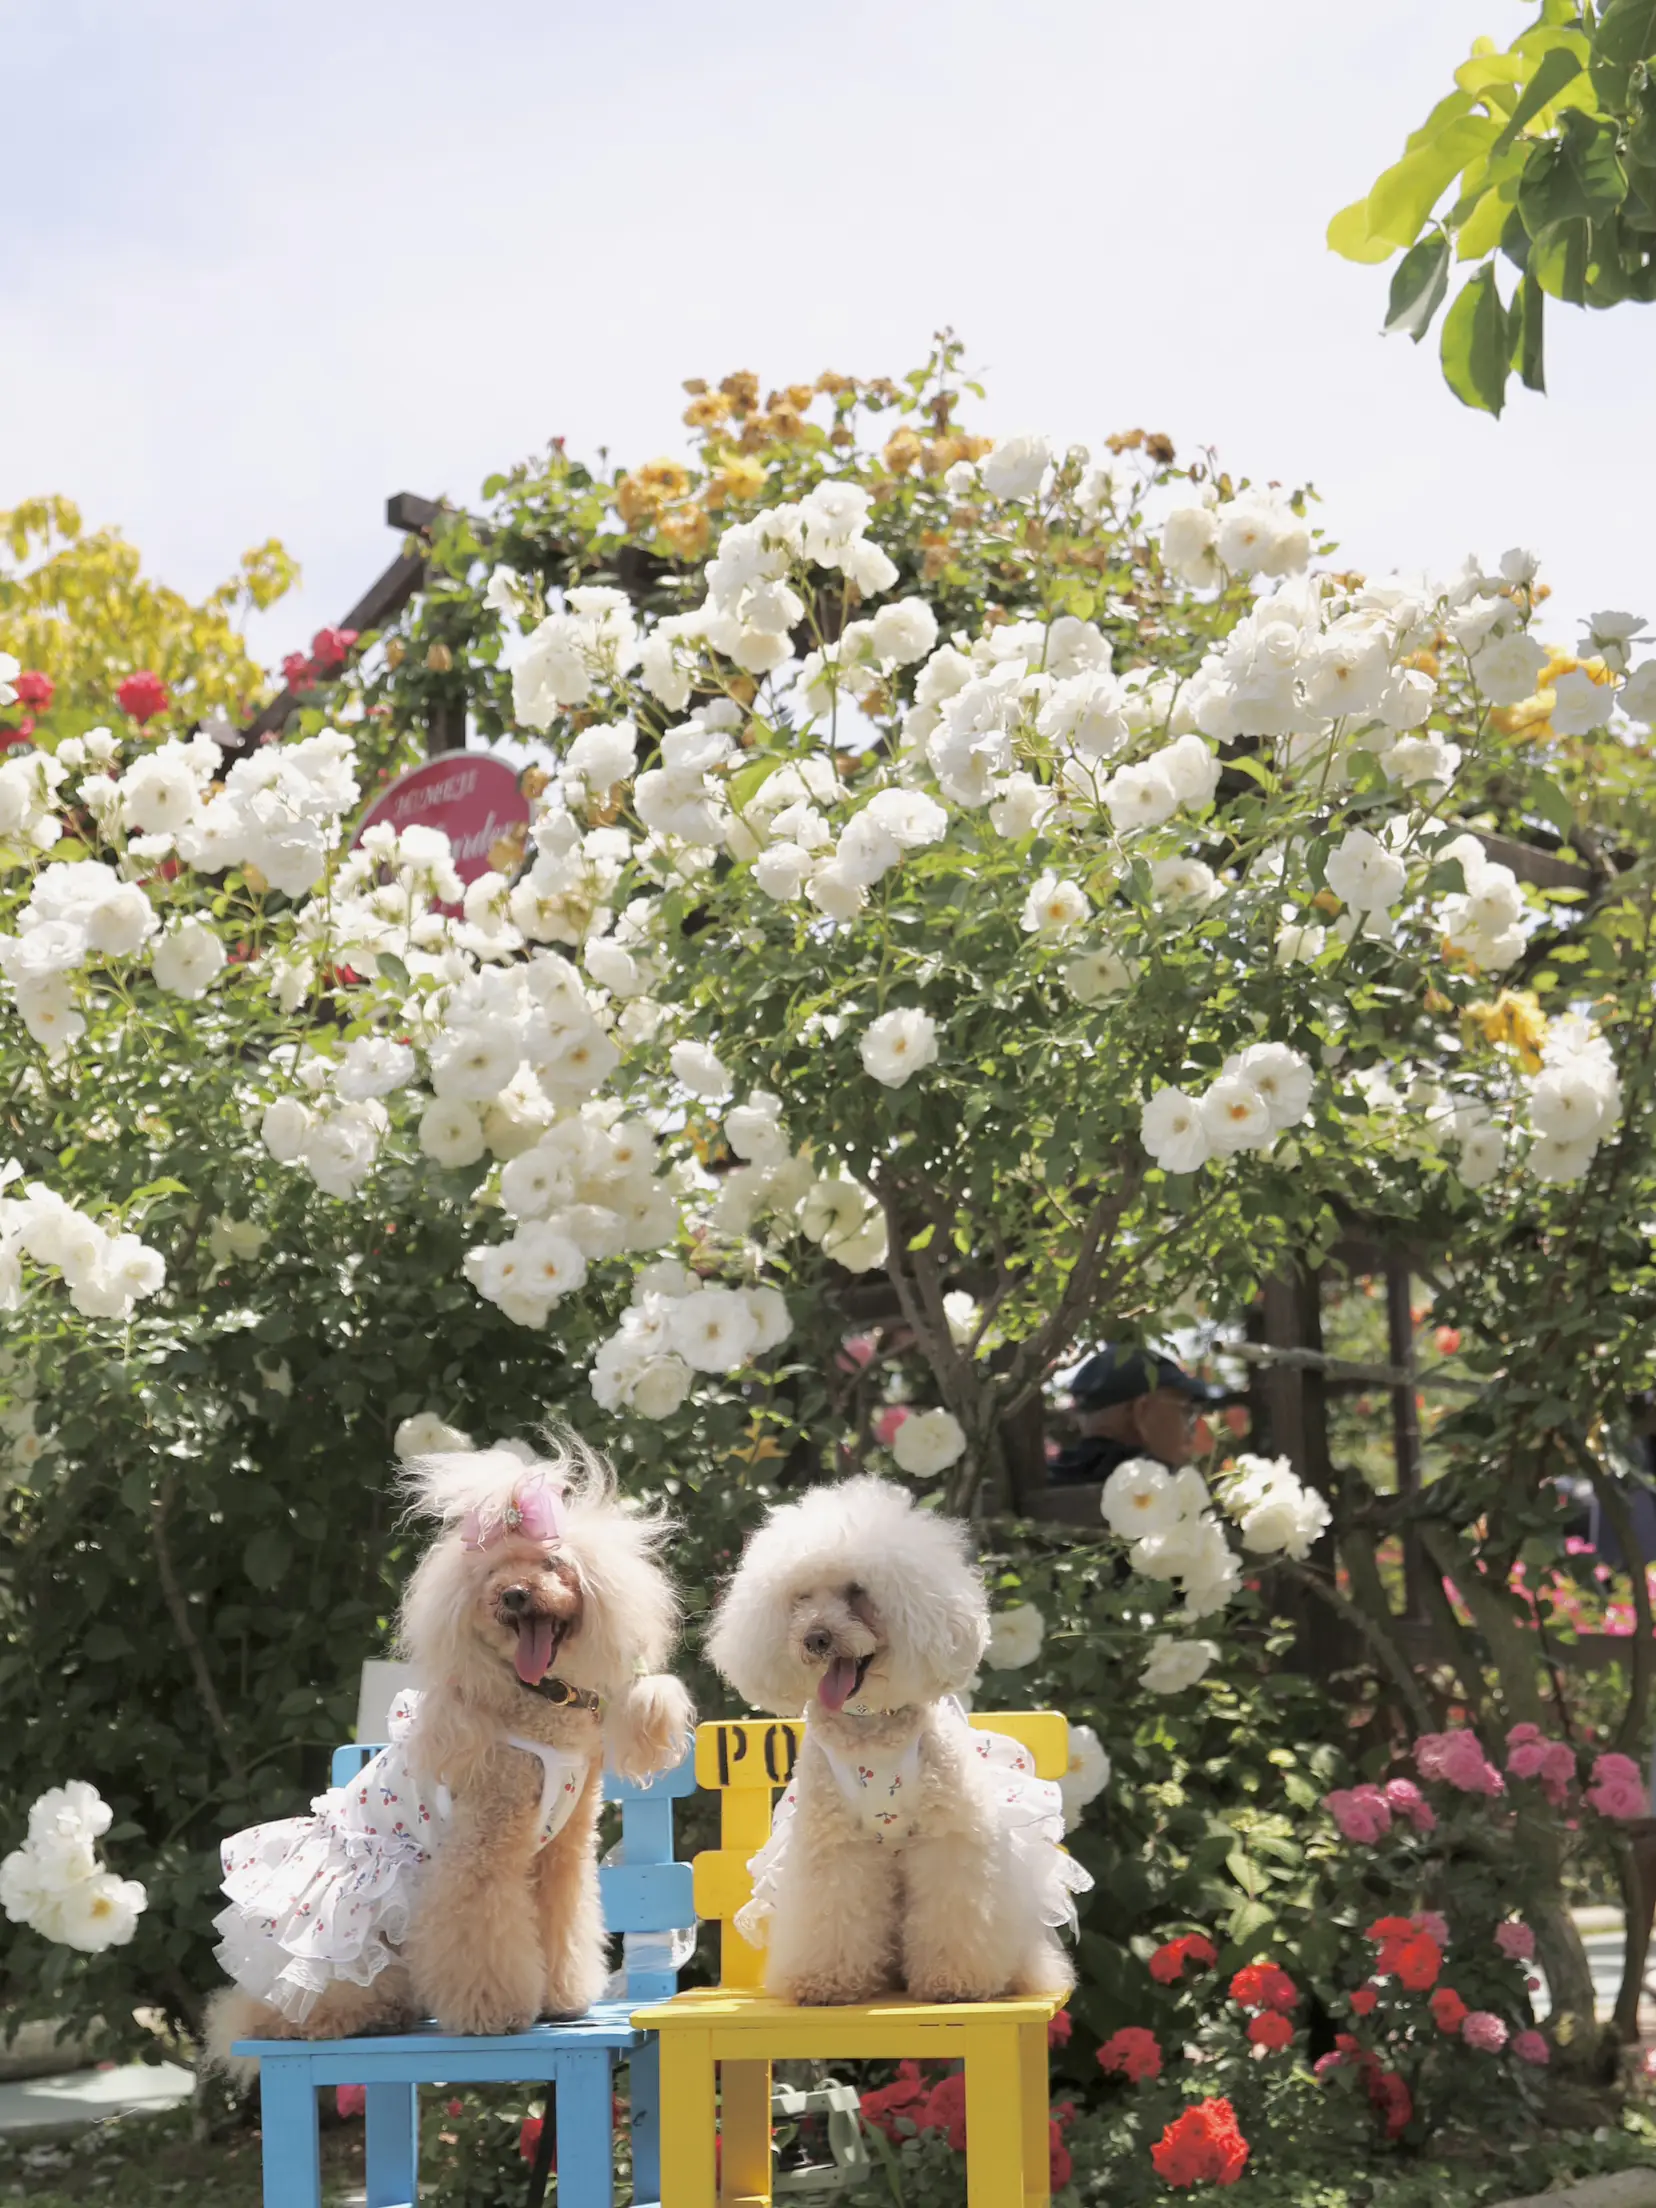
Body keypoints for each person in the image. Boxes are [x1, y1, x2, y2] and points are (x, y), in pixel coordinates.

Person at [1048, 1345, 1229, 1488]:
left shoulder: (1047, 1480)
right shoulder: (1156, 1492)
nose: (1193, 1429)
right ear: (1142, 1411)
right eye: (1187, 1412)